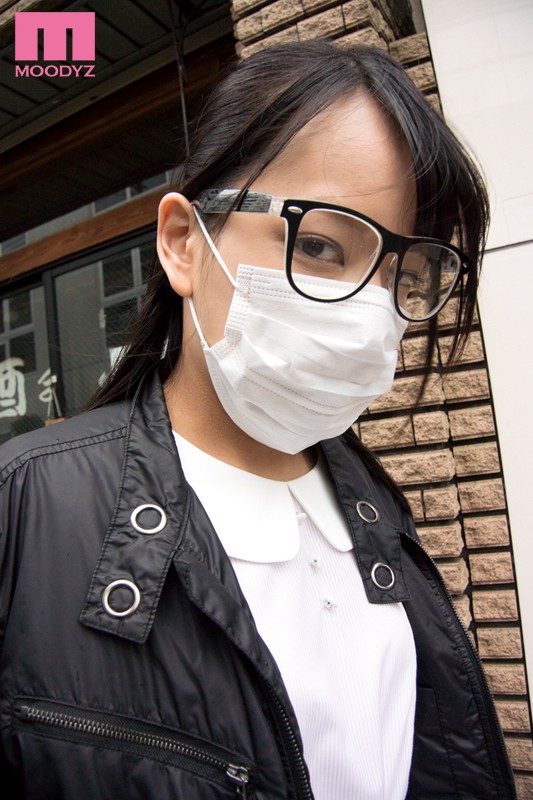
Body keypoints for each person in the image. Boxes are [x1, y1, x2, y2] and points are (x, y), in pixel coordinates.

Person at [0, 40, 516, 800]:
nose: (372, 312)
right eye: (321, 246)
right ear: (183, 243)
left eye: (405, 277)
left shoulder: (380, 518)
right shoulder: (25, 508)